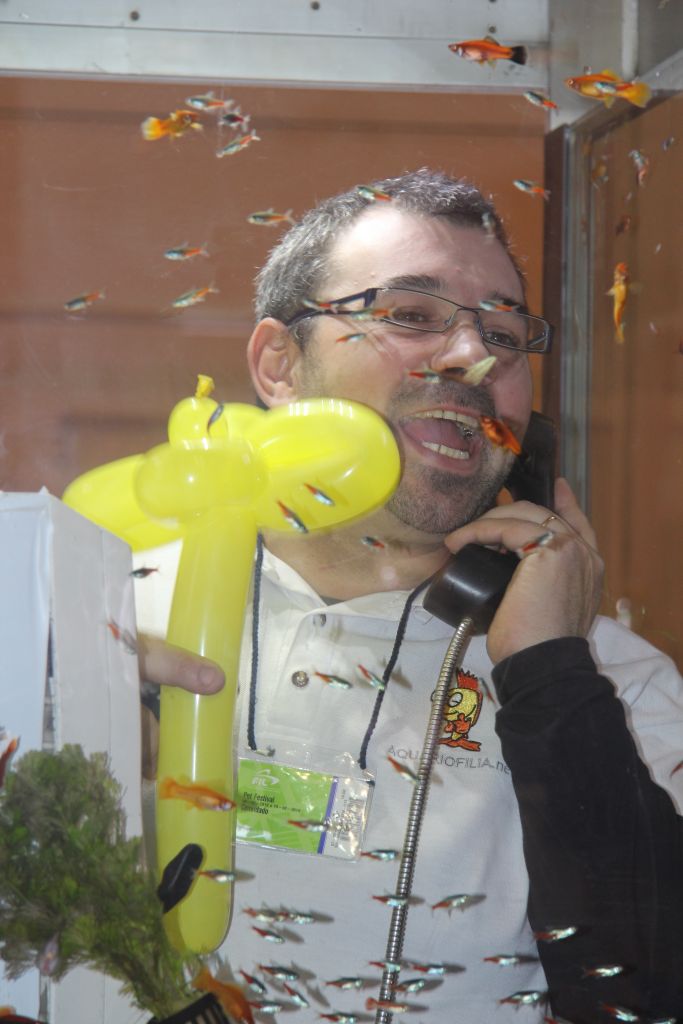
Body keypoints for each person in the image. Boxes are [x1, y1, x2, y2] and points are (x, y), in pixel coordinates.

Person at [136, 169, 683, 1023]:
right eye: (409, 315)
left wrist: (549, 677)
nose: (472, 357)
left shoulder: (612, 683)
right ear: (280, 364)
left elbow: (651, 990)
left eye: (503, 332)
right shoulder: (114, 617)